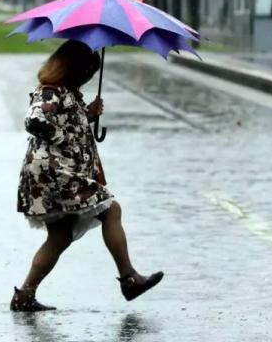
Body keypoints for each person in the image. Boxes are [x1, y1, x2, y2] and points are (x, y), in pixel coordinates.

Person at [11, 40, 164, 312]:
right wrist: (65, 138)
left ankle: (24, 295)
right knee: (111, 210)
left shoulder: (66, 93)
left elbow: (65, 120)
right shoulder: (50, 92)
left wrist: (87, 115)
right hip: (55, 173)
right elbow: (33, 121)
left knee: (60, 238)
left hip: (56, 173)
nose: (87, 79)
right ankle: (129, 279)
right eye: (85, 73)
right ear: (72, 69)